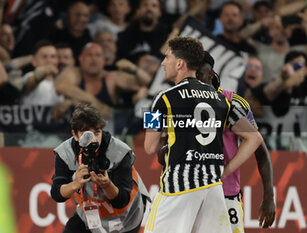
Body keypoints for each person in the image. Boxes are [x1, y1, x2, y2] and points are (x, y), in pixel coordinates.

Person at [144, 36, 263, 233]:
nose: (163, 63)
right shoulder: (220, 99)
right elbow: (255, 138)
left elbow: (149, 147)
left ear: (180, 63)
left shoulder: (164, 98)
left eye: (167, 58)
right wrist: (226, 170)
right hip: (214, 188)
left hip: (179, 187)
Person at [196, 51, 275, 230]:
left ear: (211, 74)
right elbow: (156, 151)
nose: (198, 82)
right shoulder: (175, 101)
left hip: (226, 194)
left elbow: (260, 149)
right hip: (187, 192)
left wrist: (269, 196)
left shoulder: (234, 102)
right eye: (193, 76)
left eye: (201, 75)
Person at [50, 104, 149, 233]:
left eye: (97, 132)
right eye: (87, 134)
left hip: (127, 216)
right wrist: (75, 184)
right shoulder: (65, 153)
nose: (94, 140)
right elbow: (57, 194)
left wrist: (107, 185)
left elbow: (122, 200)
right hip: (92, 215)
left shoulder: (119, 151)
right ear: (75, 134)